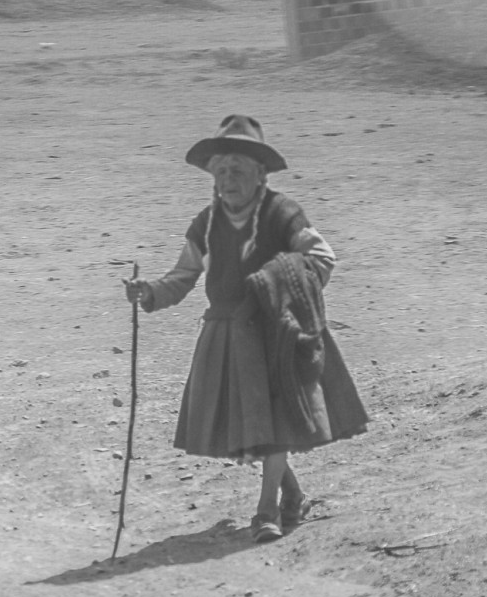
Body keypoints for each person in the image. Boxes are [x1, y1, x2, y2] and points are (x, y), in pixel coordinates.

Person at [123, 115, 368, 543]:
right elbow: (183, 275)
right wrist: (149, 292)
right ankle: (291, 494)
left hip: (279, 332)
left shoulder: (282, 213)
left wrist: (283, 281)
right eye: (220, 171)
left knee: (272, 418)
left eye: (237, 170)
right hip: (227, 335)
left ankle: (266, 511)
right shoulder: (206, 223)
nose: (227, 179)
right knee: (257, 422)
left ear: (260, 174)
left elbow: (323, 258)